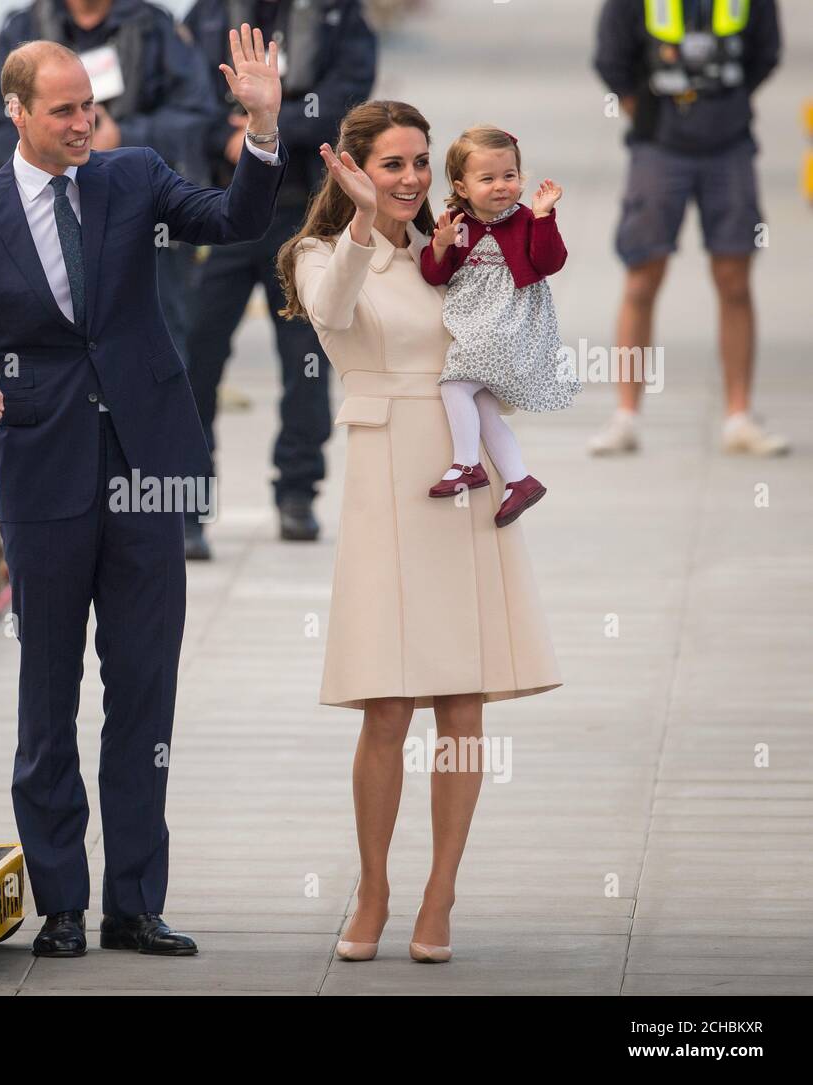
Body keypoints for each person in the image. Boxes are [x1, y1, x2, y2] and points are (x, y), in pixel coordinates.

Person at [0, 28, 287, 957]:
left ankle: (133, 901)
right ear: (17, 114)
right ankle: (63, 904)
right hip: (44, 475)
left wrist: (263, 125)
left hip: (150, 467)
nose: (87, 123)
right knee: (47, 695)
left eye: (91, 106)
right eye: (66, 111)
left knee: (144, 693)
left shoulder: (135, 175)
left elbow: (234, 219)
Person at [278, 101, 562, 963]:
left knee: (462, 699)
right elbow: (333, 311)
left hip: (463, 468)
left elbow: (505, 335)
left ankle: (441, 891)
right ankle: (374, 885)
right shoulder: (322, 251)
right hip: (383, 475)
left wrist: (528, 232)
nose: (406, 179)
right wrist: (363, 220)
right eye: (389, 164)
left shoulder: (463, 244)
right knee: (386, 702)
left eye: (417, 164)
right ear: (352, 168)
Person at [180, 0, 377, 558]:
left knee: (307, 361)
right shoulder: (209, 13)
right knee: (193, 358)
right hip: (214, 210)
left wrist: (268, 128)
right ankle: (188, 505)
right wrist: (226, 137)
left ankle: (297, 492)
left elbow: (352, 95)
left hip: (302, 213)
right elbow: (182, 92)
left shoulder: (338, 13)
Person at [0, 0, 214, 369]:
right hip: (44, 217)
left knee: (160, 348)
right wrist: (48, 160)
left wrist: (121, 139)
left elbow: (196, 113)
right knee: (46, 347)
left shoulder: (155, 27)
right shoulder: (22, 28)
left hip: (140, 219)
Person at [591, 0, 786, 455]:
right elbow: (611, 58)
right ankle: (626, 416)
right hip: (658, 147)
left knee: (734, 278)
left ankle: (739, 416)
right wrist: (648, 112)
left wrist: (725, 106)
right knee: (642, 276)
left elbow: (766, 52)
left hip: (730, 145)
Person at [418, 125, 580, 527]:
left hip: (509, 324)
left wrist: (543, 218)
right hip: (476, 324)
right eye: (487, 179)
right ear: (462, 185)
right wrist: (439, 246)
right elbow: (436, 275)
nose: (501, 186)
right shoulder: (458, 223)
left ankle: (467, 463)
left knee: (455, 382)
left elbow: (550, 262)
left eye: (509, 176)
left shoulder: (525, 219)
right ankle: (519, 479)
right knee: (484, 404)